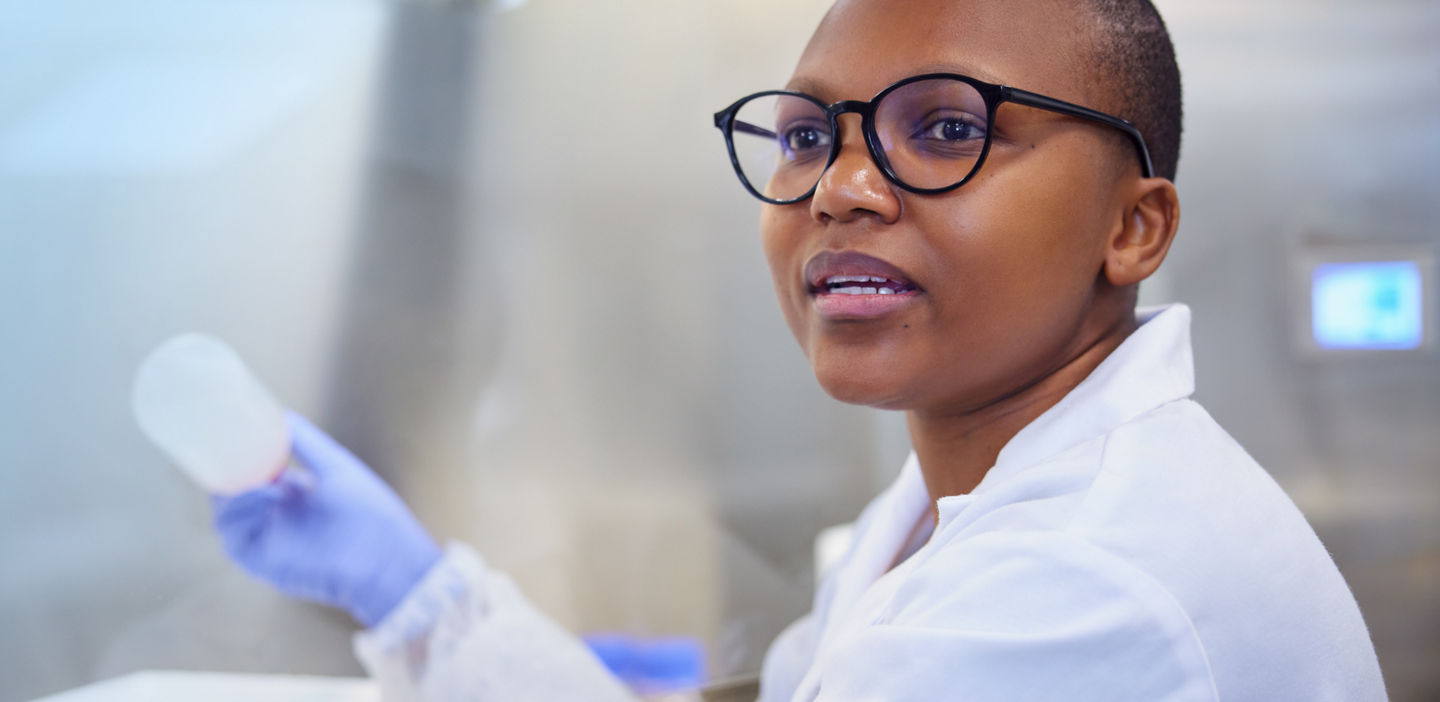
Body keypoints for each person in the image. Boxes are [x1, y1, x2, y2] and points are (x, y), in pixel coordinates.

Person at [213, 0, 1388, 699]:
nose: (843, 187)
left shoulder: (1077, 583)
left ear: (1133, 228)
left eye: (946, 128)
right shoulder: (962, 498)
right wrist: (419, 597)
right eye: (809, 135)